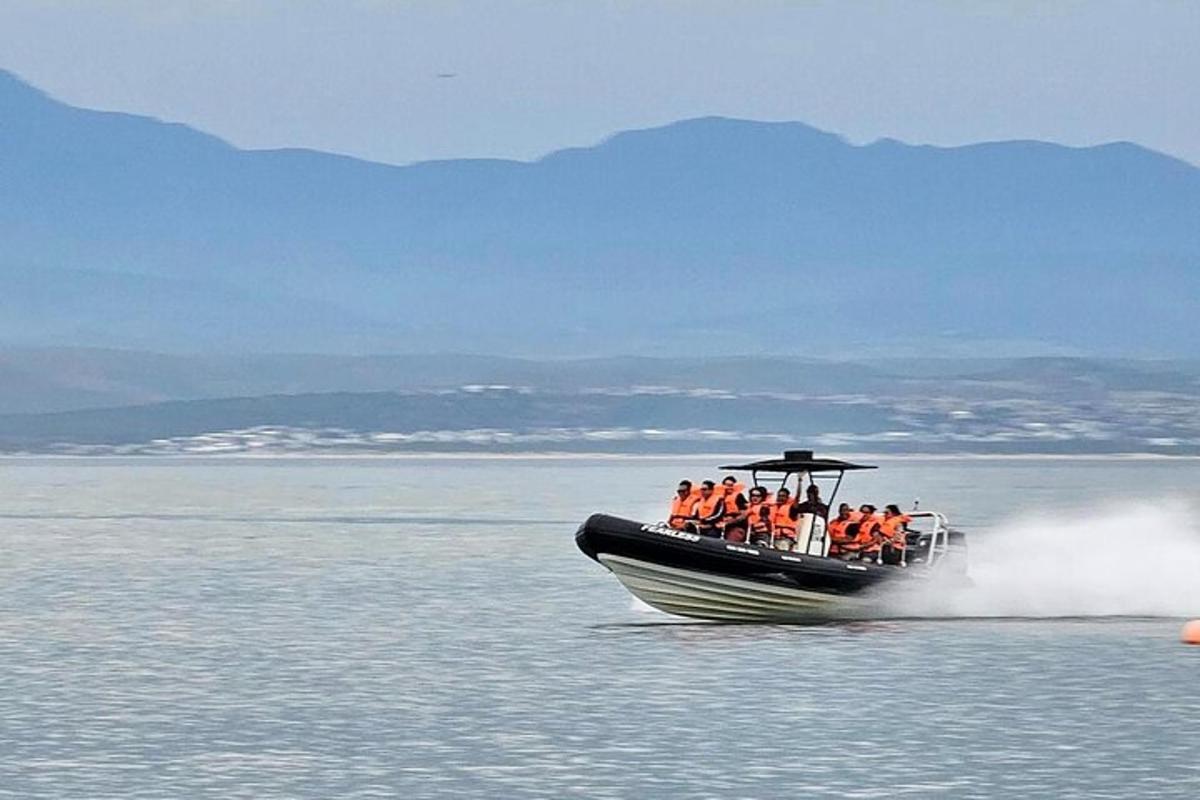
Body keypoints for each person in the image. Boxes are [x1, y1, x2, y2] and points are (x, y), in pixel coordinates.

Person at [719, 475, 749, 542]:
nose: (728, 488)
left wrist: (729, 522)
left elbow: (744, 515)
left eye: (730, 485)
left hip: (736, 526)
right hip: (722, 525)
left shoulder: (738, 497)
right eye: (726, 485)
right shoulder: (719, 498)